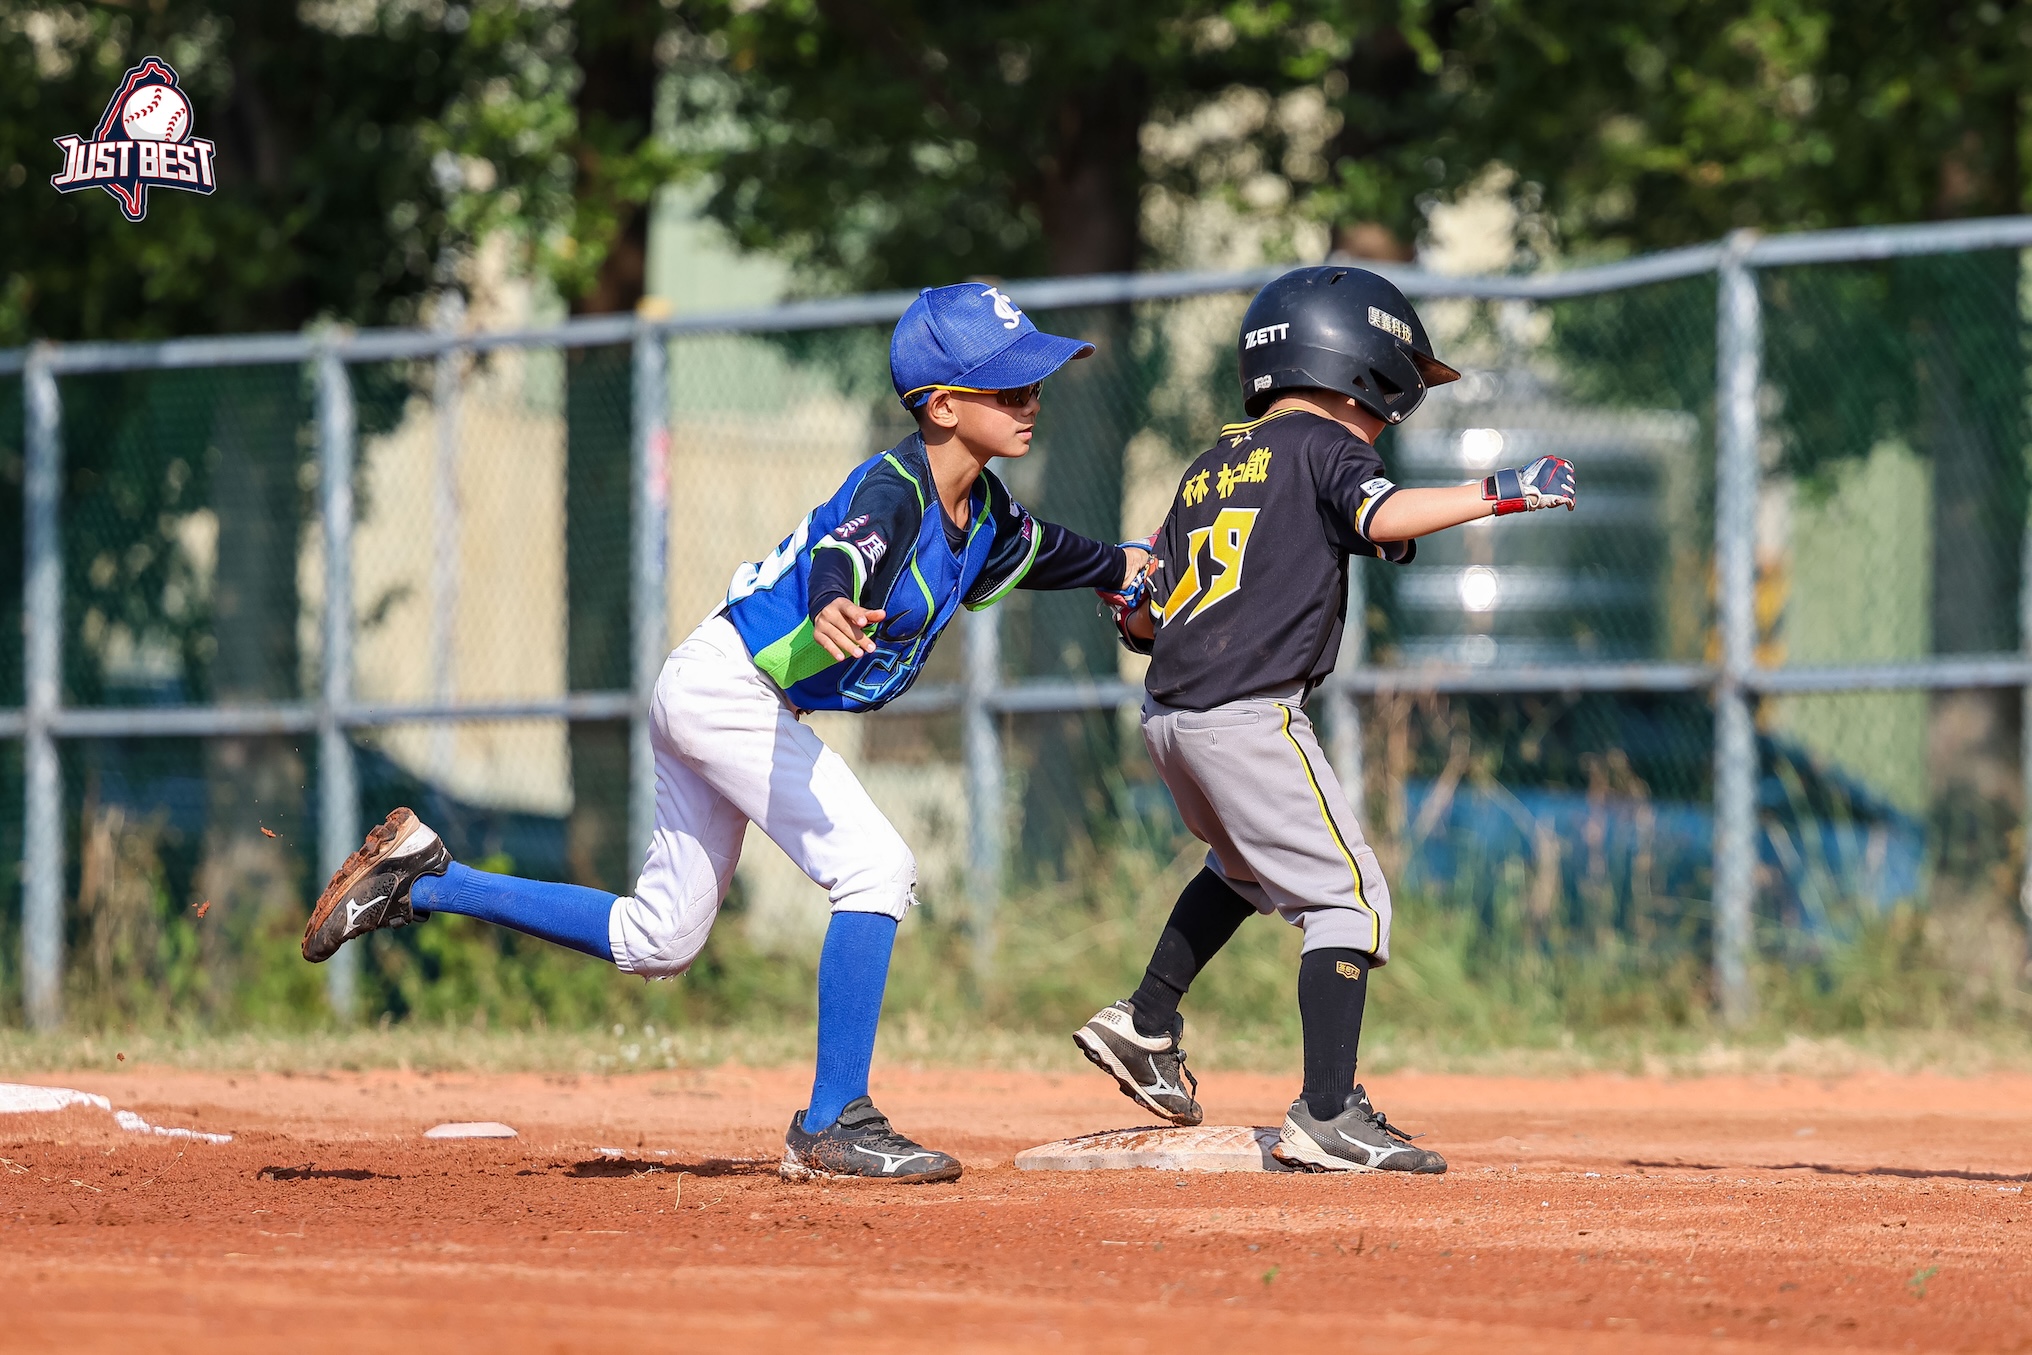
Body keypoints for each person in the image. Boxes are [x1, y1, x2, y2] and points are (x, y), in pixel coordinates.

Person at [303, 283, 1151, 1184]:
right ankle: (833, 1121)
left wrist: (1127, 570)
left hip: (724, 688)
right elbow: (849, 548)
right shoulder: (896, 489)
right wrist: (830, 599)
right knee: (877, 867)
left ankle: (427, 878)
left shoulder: (982, 511)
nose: (1031, 399)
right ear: (942, 406)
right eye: (1009, 386)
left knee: (660, 940)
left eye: (1034, 383)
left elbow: (1051, 551)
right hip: (727, 689)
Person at [1074, 265, 1576, 1173]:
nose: (1394, 412)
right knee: (1348, 898)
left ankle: (1145, 1020)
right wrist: (1503, 489)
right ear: (1359, 370)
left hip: (1170, 718)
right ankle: (1328, 1111)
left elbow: (1145, 619)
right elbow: (1380, 517)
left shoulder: (1212, 464)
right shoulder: (1325, 442)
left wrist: (1133, 608)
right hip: (1248, 715)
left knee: (1242, 866)